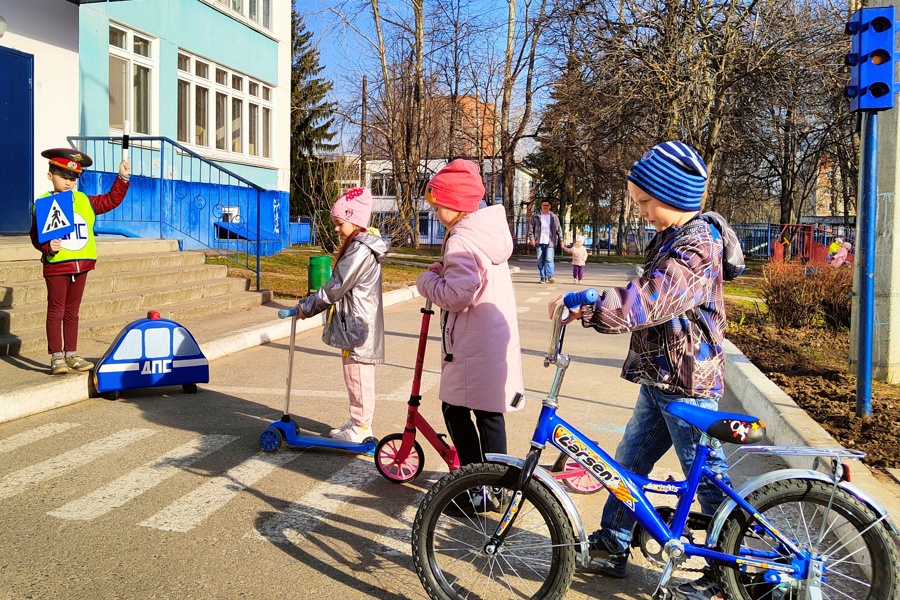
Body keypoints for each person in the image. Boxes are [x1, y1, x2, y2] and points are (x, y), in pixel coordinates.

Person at [553, 141, 743, 600]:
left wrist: (601, 309)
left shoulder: (697, 246)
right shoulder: (673, 237)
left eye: (643, 202)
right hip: (662, 375)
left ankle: (731, 574)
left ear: (671, 195)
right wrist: (594, 302)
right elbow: (644, 290)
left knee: (710, 478)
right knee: (630, 462)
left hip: (687, 381)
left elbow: (654, 298)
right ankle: (614, 541)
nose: (639, 211)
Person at [416, 159, 524, 513]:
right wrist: (443, 273)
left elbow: (457, 295)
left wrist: (427, 281)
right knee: (490, 414)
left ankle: (474, 486)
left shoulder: (463, 239)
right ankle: (498, 487)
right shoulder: (485, 233)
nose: (434, 209)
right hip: (489, 340)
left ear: (456, 203)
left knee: (455, 410)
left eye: (437, 203)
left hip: (471, 343)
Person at [294, 187, 388, 443]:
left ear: (354, 220)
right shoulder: (361, 245)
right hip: (356, 323)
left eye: (339, 224)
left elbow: (336, 285)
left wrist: (307, 306)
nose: (337, 229)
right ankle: (358, 421)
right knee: (355, 375)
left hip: (356, 325)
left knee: (358, 375)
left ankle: (361, 427)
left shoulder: (359, 250)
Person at [30, 148, 130, 375]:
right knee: (56, 310)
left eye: (73, 178)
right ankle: (56, 356)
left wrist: (122, 178)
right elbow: (36, 236)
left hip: (82, 265)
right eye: (63, 176)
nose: (68, 182)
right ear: (50, 175)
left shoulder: (84, 200)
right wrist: (47, 247)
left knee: (72, 311)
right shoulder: (44, 203)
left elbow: (110, 200)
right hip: (58, 265)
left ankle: (71, 354)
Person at [528, 200, 562, 283]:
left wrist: (561, 240)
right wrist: (532, 239)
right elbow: (530, 229)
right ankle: (543, 277)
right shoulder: (536, 217)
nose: (545, 206)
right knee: (540, 261)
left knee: (549, 259)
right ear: (541, 206)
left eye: (547, 205)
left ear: (549, 206)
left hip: (550, 242)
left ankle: (550, 276)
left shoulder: (554, 217)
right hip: (539, 242)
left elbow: (559, 230)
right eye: (543, 205)